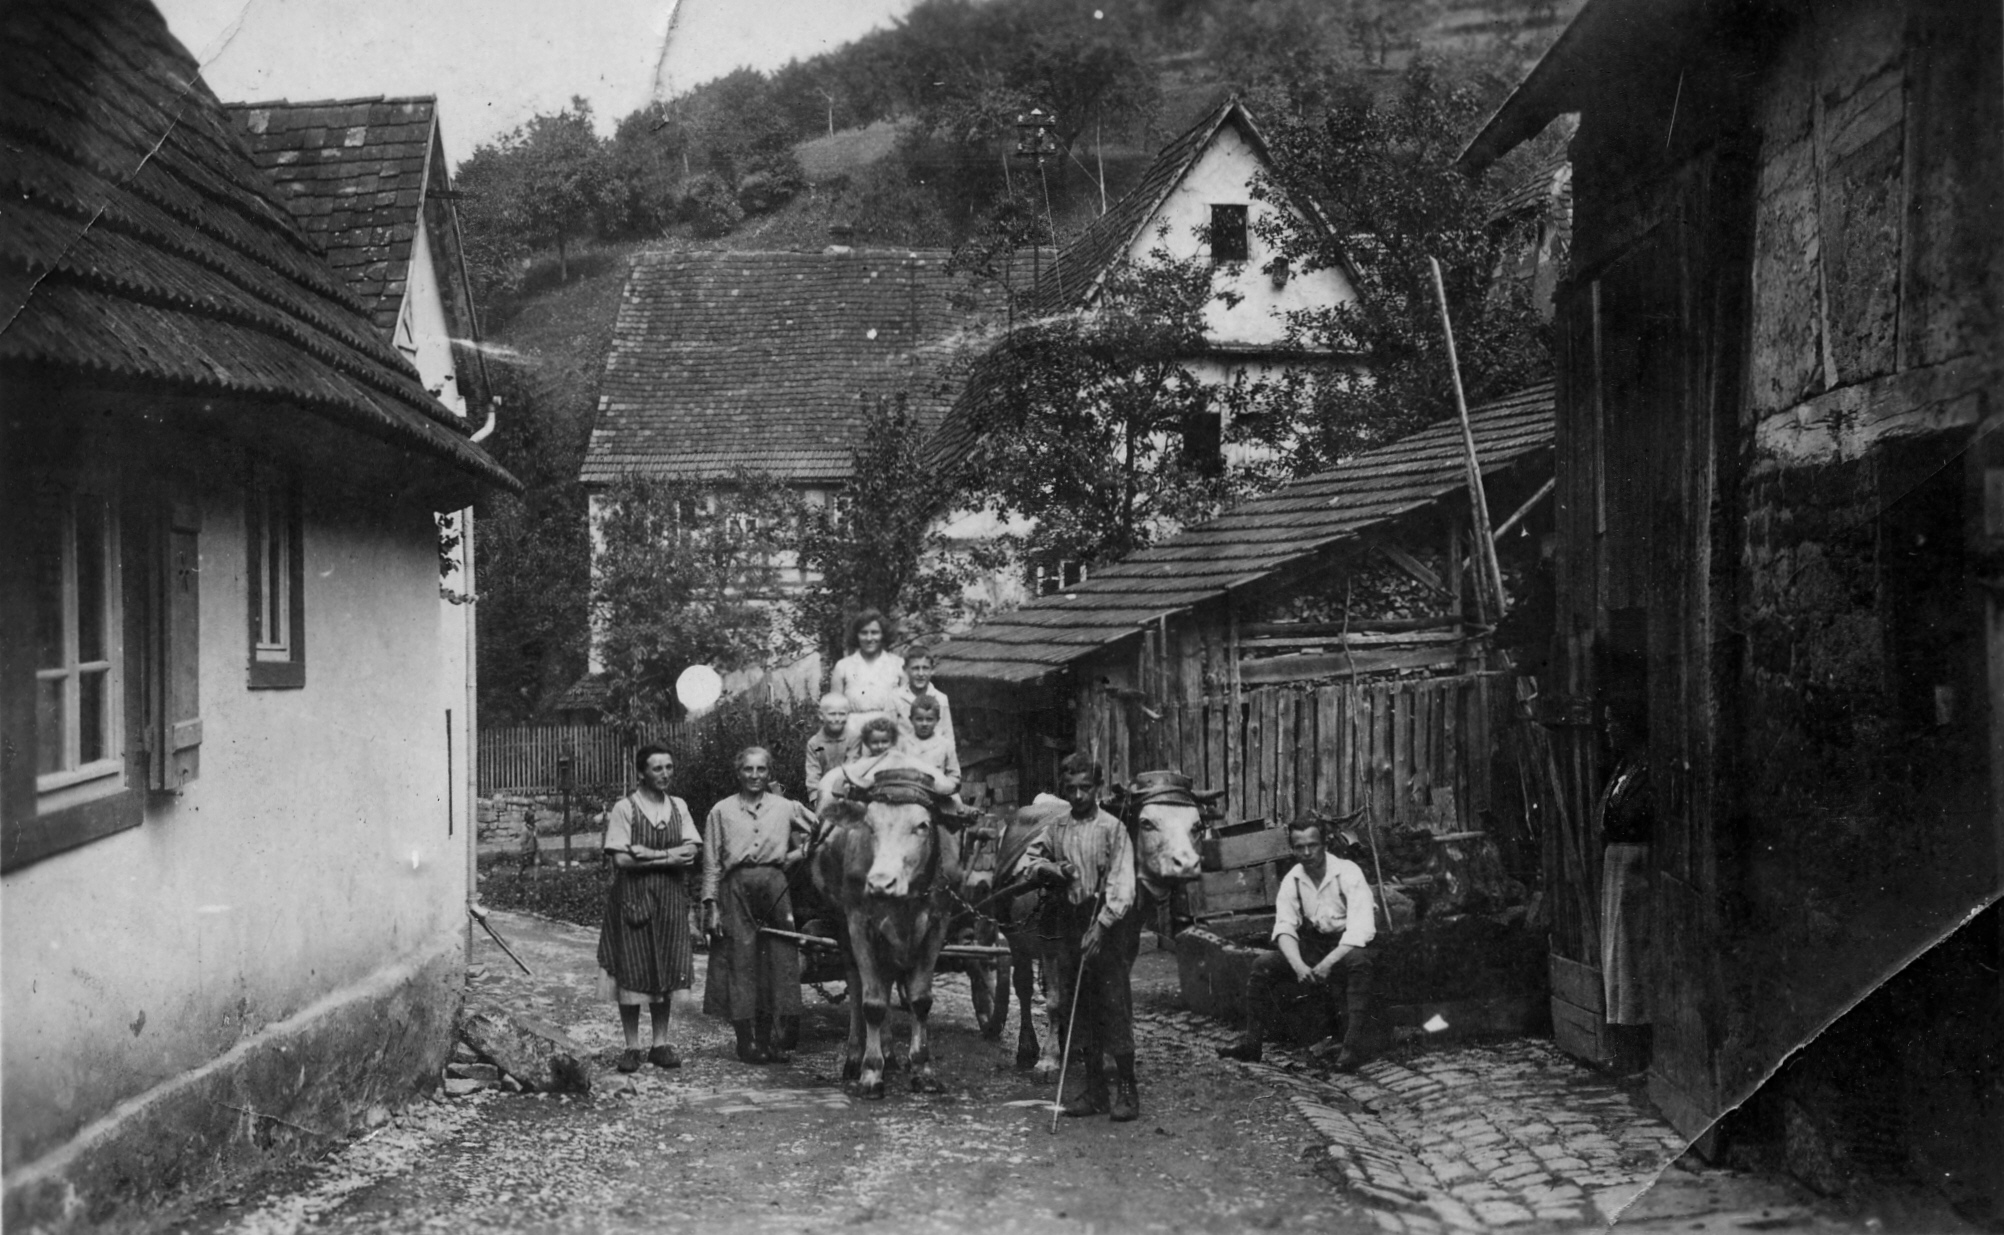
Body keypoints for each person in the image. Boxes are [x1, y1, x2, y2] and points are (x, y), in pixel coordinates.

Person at [1021, 754, 1142, 1122]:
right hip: (1072, 922)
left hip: (1108, 925)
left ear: (1097, 787)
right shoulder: (1057, 828)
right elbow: (1028, 863)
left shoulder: (1113, 829)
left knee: (1113, 1005)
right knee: (1079, 1007)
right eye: (1071, 789)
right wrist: (1052, 868)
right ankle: (1094, 1090)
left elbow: (1123, 885)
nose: (1077, 796)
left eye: (1085, 788)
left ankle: (1127, 1089)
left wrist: (1101, 927)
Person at [1218, 818, 1377, 1072]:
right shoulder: (1293, 879)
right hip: (1316, 943)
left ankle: (1352, 1049)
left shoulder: (1347, 873)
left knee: (1359, 963)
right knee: (1262, 965)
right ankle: (1252, 1044)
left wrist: (1328, 963)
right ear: (1292, 849)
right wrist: (1299, 965)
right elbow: (1285, 927)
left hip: (1349, 945)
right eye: (1299, 847)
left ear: (1325, 845)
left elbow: (1361, 929)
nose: (1306, 853)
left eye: (1312, 845)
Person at [701, 746, 814, 1064]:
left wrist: (795, 855)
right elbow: (711, 862)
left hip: (775, 887)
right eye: (748, 769)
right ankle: (745, 1042)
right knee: (740, 959)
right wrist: (711, 906)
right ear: (738, 773)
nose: (754, 775)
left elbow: (823, 831)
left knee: (776, 960)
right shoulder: (721, 811)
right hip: (735, 888)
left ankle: (766, 1041)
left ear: (769, 773)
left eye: (761, 769)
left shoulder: (786, 807)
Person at [597, 744, 701, 1073]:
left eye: (669, 767)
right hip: (633, 897)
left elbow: (691, 852)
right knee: (632, 967)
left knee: (665, 966)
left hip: (670, 898)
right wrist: (669, 857)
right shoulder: (625, 808)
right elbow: (621, 858)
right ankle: (632, 1046)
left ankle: (660, 1043)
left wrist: (649, 854)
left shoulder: (678, 806)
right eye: (657, 768)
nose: (665, 774)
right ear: (641, 772)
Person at [1599, 695, 1653, 1075]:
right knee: (1615, 956)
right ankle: (1620, 1044)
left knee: (1632, 958)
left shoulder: (1646, 770)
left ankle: (1636, 1050)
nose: (1608, 730)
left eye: (1612, 723)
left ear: (1629, 726)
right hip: (1617, 867)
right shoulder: (1623, 768)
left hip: (1636, 869)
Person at [815, 716, 960, 812]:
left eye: (884, 742)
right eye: (875, 742)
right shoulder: (863, 763)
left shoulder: (900, 759)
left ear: (893, 741)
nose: (880, 746)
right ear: (867, 743)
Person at [829, 609, 904, 747]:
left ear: (883, 634)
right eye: (864, 633)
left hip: (888, 736)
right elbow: (834, 709)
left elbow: (907, 709)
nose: (869, 638)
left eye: (874, 632)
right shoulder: (843, 666)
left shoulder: (898, 664)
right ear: (856, 635)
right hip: (852, 735)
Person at [893, 649, 954, 746]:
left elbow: (948, 736)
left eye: (925, 668)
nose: (921, 674)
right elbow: (888, 734)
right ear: (905, 670)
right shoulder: (894, 697)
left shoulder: (941, 698)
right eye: (915, 668)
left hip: (934, 752)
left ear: (932, 670)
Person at [897, 694, 960, 780]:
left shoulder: (945, 745)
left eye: (929, 719)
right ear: (911, 720)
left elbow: (955, 776)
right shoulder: (902, 744)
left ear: (937, 720)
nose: (924, 724)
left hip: (936, 787)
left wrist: (943, 784)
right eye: (919, 719)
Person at [803, 692, 853, 791]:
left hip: (850, 791)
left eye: (842, 714)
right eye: (832, 714)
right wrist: (816, 797)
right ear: (821, 715)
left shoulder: (854, 739)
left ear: (848, 715)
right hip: (824, 792)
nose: (837, 719)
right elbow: (813, 777)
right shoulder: (814, 744)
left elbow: (855, 770)